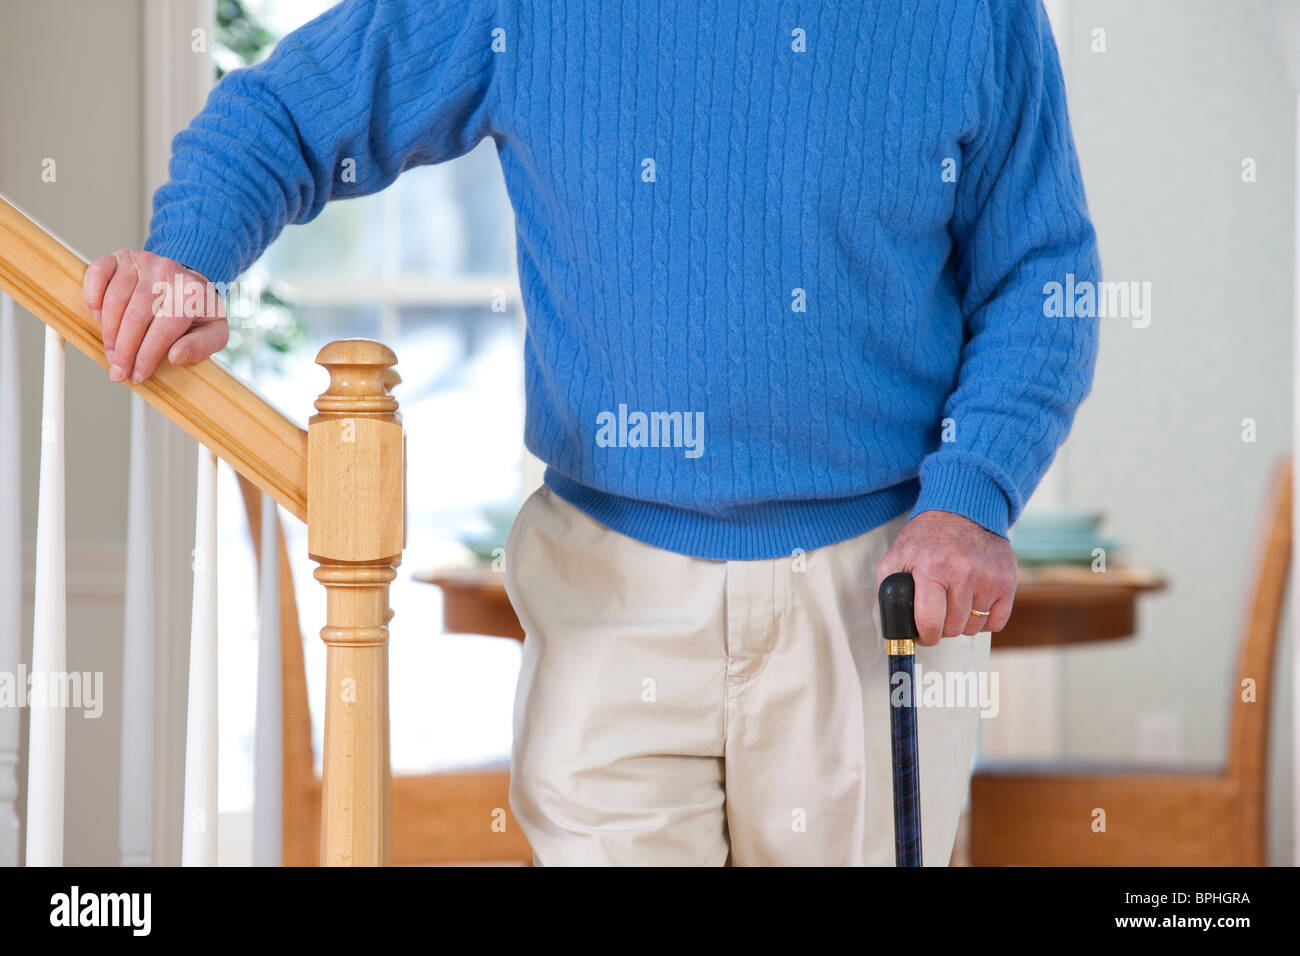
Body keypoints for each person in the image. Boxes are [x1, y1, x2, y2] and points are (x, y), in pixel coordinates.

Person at [83, 0, 1099, 866]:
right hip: (609, 598)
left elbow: (1042, 279)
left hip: (874, 593)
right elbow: (289, 111)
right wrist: (188, 252)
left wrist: (972, 493)